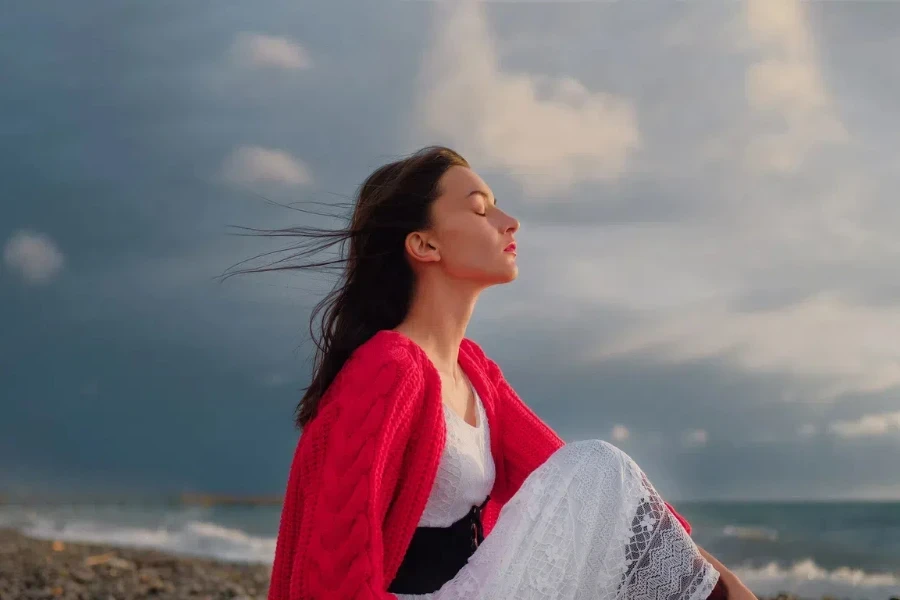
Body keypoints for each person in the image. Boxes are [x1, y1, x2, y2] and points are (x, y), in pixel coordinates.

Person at [255, 146, 756, 600]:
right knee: (601, 464)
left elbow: (599, 499)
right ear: (425, 246)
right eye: (480, 209)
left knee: (600, 474)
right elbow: (330, 571)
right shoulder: (388, 368)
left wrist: (725, 583)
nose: (509, 221)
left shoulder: (474, 371)